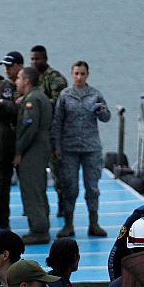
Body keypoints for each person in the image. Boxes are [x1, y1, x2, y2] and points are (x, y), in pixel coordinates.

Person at [52, 61, 111, 238]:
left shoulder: (95, 94)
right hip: (69, 148)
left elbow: (107, 117)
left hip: (91, 148)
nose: (79, 77)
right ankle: (68, 225)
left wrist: (102, 111)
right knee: (70, 187)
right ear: (72, 74)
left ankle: (94, 223)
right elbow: (57, 122)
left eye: (82, 74)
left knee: (92, 187)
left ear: (87, 75)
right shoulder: (65, 95)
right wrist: (56, 146)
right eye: (76, 73)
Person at [12, 66, 54, 245]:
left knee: (32, 190)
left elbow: (30, 128)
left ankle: (38, 230)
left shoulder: (32, 100)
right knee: (39, 188)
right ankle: (41, 225)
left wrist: (19, 151)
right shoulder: (38, 96)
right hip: (41, 148)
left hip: (33, 151)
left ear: (27, 80)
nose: (16, 82)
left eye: (19, 78)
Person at [30, 45, 69, 216]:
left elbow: (57, 104)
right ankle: (37, 206)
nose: (34, 62)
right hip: (35, 133)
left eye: (37, 59)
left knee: (58, 171)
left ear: (45, 59)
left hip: (53, 132)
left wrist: (35, 103)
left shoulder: (56, 79)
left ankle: (63, 203)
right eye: (32, 59)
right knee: (35, 172)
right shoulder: (30, 77)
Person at [0, 51, 23, 229]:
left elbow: (23, 110)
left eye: (10, 66)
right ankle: (2, 222)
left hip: (22, 140)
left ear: (19, 66)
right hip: (3, 141)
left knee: (28, 184)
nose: (7, 69)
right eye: (5, 66)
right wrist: (8, 106)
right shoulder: (0, 85)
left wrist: (4, 104)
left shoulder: (25, 84)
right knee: (0, 185)